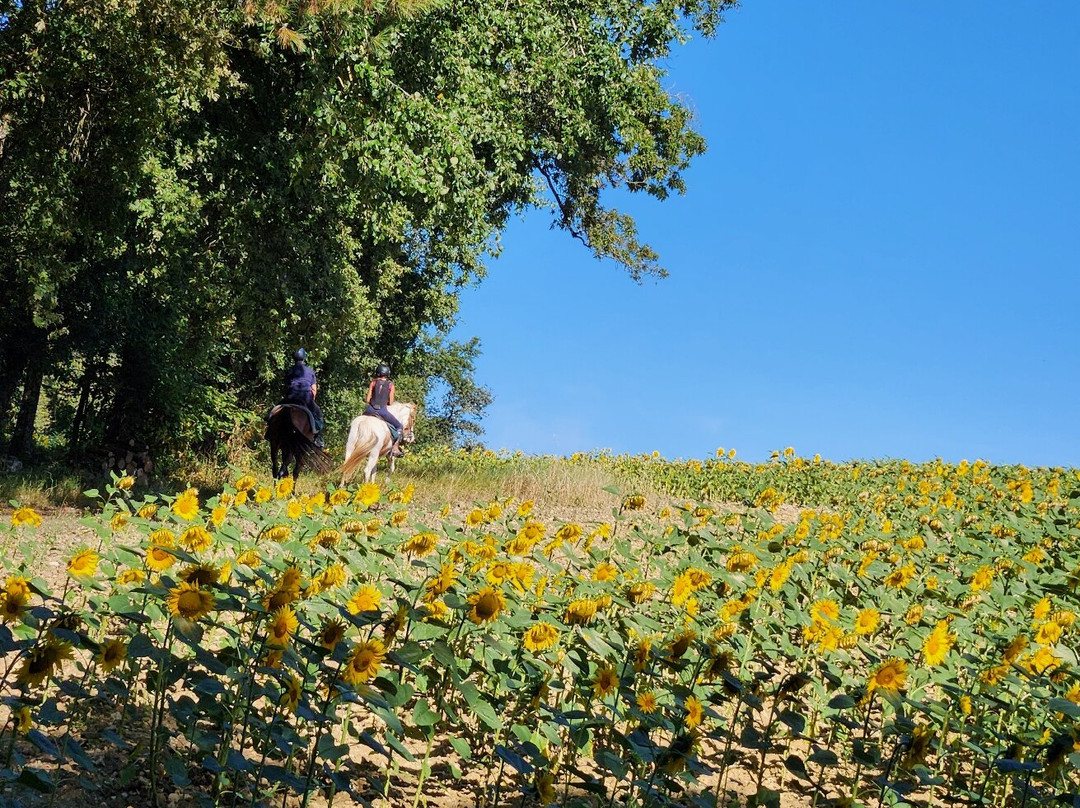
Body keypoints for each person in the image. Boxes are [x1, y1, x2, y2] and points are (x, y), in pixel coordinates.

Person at [283, 348, 325, 449]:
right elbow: (314, 390)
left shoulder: (290, 370)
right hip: (305, 397)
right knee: (318, 415)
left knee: (275, 409)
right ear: (304, 357)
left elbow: (286, 386)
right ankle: (317, 438)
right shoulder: (310, 371)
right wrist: (311, 402)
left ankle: (268, 425)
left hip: (291, 396)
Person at [364, 363, 404, 457]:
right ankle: (395, 448)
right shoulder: (390, 385)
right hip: (382, 411)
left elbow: (367, 399)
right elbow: (391, 402)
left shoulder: (373, 383)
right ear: (387, 374)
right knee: (399, 426)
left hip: (369, 410)